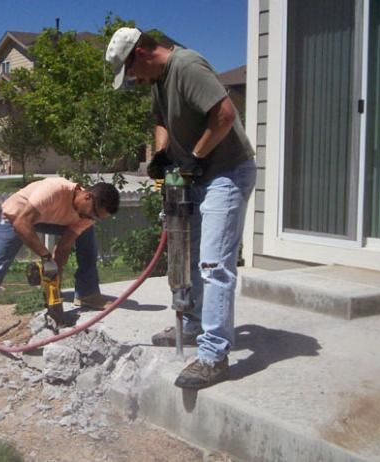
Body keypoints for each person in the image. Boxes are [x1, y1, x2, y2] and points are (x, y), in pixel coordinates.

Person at [106, 28, 256, 389]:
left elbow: (223, 115)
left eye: (132, 73)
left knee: (213, 264)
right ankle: (192, 324)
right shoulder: (157, 80)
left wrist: (192, 159)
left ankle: (214, 356)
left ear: (141, 52)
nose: (135, 82)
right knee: (187, 255)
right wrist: (162, 154)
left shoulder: (187, 66)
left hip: (226, 173)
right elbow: (162, 121)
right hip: (196, 174)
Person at [0, 177, 120, 355]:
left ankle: (87, 293)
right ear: (87, 197)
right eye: (94, 214)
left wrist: (54, 278)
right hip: (18, 215)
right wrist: (45, 256)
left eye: (98, 217)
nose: (92, 218)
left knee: (87, 234)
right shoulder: (54, 190)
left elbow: (64, 247)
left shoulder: (88, 214)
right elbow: (21, 223)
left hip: (51, 219)